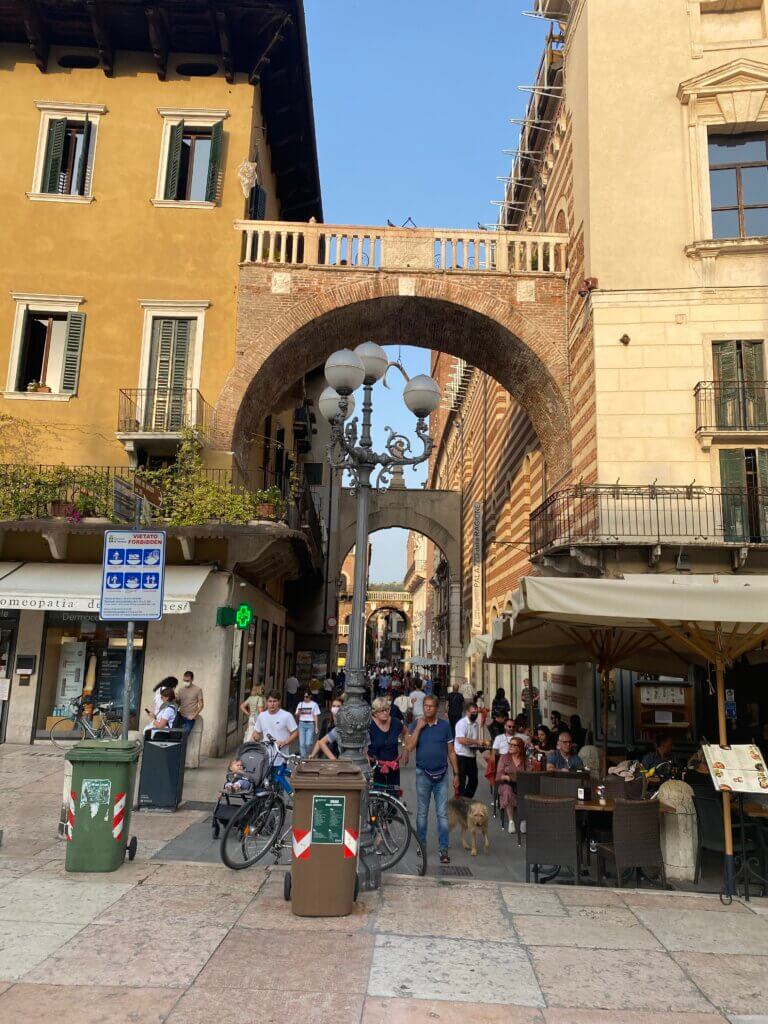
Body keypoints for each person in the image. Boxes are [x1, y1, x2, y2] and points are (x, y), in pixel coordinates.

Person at [406, 694, 458, 865]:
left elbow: (451, 751)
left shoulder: (444, 726)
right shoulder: (416, 723)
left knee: (442, 814)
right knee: (422, 812)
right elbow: (409, 747)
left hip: (442, 774)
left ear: (437, 708)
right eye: (425, 706)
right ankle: (421, 845)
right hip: (423, 774)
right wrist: (419, 728)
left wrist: (457, 773)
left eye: (431, 706)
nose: (427, 708)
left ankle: (443, 849)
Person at [367, 697, 407, 788]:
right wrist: (367, 762)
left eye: (387, 710)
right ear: (375, 713)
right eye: (381, 711)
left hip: (393, 766)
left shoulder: (396, 722)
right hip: (375, 767)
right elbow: (362, 745)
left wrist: (406, 750)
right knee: (377, 797)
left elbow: (406, 733)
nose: (385, 713)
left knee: (394, 796)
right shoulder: (369, 725)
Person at [252, 691, 298, 763]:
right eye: (270, 701)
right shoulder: (262, 716)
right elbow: (256, 732)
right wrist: (255, 737)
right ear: (266, 702)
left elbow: (295, 733)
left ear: (279, 702)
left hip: (281, 757)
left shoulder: (287, 716)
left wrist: (284, 742)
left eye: (274, 701)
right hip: (266, 757)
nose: (272, 704)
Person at [453, 701, 485, 798]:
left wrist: (481, 746)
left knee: (474, 781)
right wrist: (477, 742)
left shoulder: (475, 725)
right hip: (461, 756)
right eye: (473, 712)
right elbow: (461, 740)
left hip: (471, 755)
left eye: (476, 712)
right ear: (467, 712)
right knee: (461, 782)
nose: (475, 714)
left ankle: (465, 799)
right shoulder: (461, 723)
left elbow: (475, 741)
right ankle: (461, 802)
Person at [496, 736, 528, 834]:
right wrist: (505, 777)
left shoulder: (525, 759)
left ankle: (523, 819)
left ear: (520, 748)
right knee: (507, 790)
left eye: (514, 745)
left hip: (521, 784)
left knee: (527, 791)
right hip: (506, 784)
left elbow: (529, 773)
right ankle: (511, 821)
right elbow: (498, 776)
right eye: (510, 744)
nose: (510, 746)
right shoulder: (504, 757)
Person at [175, 669, 204, 735]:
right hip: (180, 716)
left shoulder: (198, 690)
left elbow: (201, 705)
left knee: (184, 735)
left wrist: (194, 715)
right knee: (175, 735)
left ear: (192, 679)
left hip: (190, 718)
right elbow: (177, 703)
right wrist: (174, 698)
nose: (185, 682)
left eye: (187, 680)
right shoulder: (180, 690)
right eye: (184, 680)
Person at [295, 689, 321, 758]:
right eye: (304, 697)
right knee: (302, 743)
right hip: (302, 724)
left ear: (310, 696)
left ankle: (307, 754)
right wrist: (298, 713)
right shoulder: (300, 704)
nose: (305, 698)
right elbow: (296, 714)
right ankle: (303, 758)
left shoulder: (314, 704)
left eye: (307, 697)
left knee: (308, 743)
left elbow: (315, 715)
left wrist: (316, 726)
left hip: (310, 724)